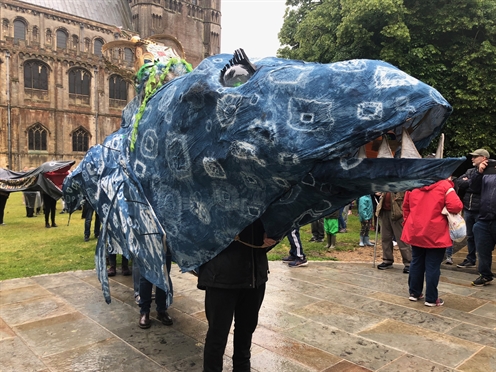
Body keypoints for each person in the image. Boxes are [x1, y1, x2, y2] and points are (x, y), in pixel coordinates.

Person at [198, 219, 276, 372]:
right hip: (221, 277)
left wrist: (275, 234)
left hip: (255, 276)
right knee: (217, 335)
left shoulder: (262, 196)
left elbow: (277, 217)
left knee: (246, 331)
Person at [402, 178, 463, 306]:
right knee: (433, 266)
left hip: (416, 229)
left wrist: (410, 221)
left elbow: (406, 207)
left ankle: (414, 293)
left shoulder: (413, 184)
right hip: (436, 232)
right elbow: (456, 206)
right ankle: (431, 298)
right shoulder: (444, 185)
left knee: (416, 261)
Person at [454, 148, 489, 268]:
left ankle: (483, 264)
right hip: (468, 209)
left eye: (475, 156)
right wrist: (472, 182)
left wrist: (470, 182)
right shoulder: (470, 170)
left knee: (482, 237)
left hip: (481, 210)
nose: (472, 158)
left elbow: (479, 187)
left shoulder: (489, 172)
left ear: (484, 158)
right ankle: (470, 259)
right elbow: (459, 183)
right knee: (470, 236)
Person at [468, 156, 496, 286]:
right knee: (483, 250)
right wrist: (479, 172)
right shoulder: (486, 172)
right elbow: (473, 187)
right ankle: (485, 275)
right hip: (484, 219)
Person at [376, 192, 411, 273]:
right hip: (385, 211)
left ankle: (408, 262)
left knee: (402, 239)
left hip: (398, 213)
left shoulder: (401, 183)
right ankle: (387, 260)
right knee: (385, 237)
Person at [138, 251, 173, 328]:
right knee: (145, 276)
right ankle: (144, 311)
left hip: (164, 243)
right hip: (145, 244)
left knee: (164, 276)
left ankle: (162, 310)